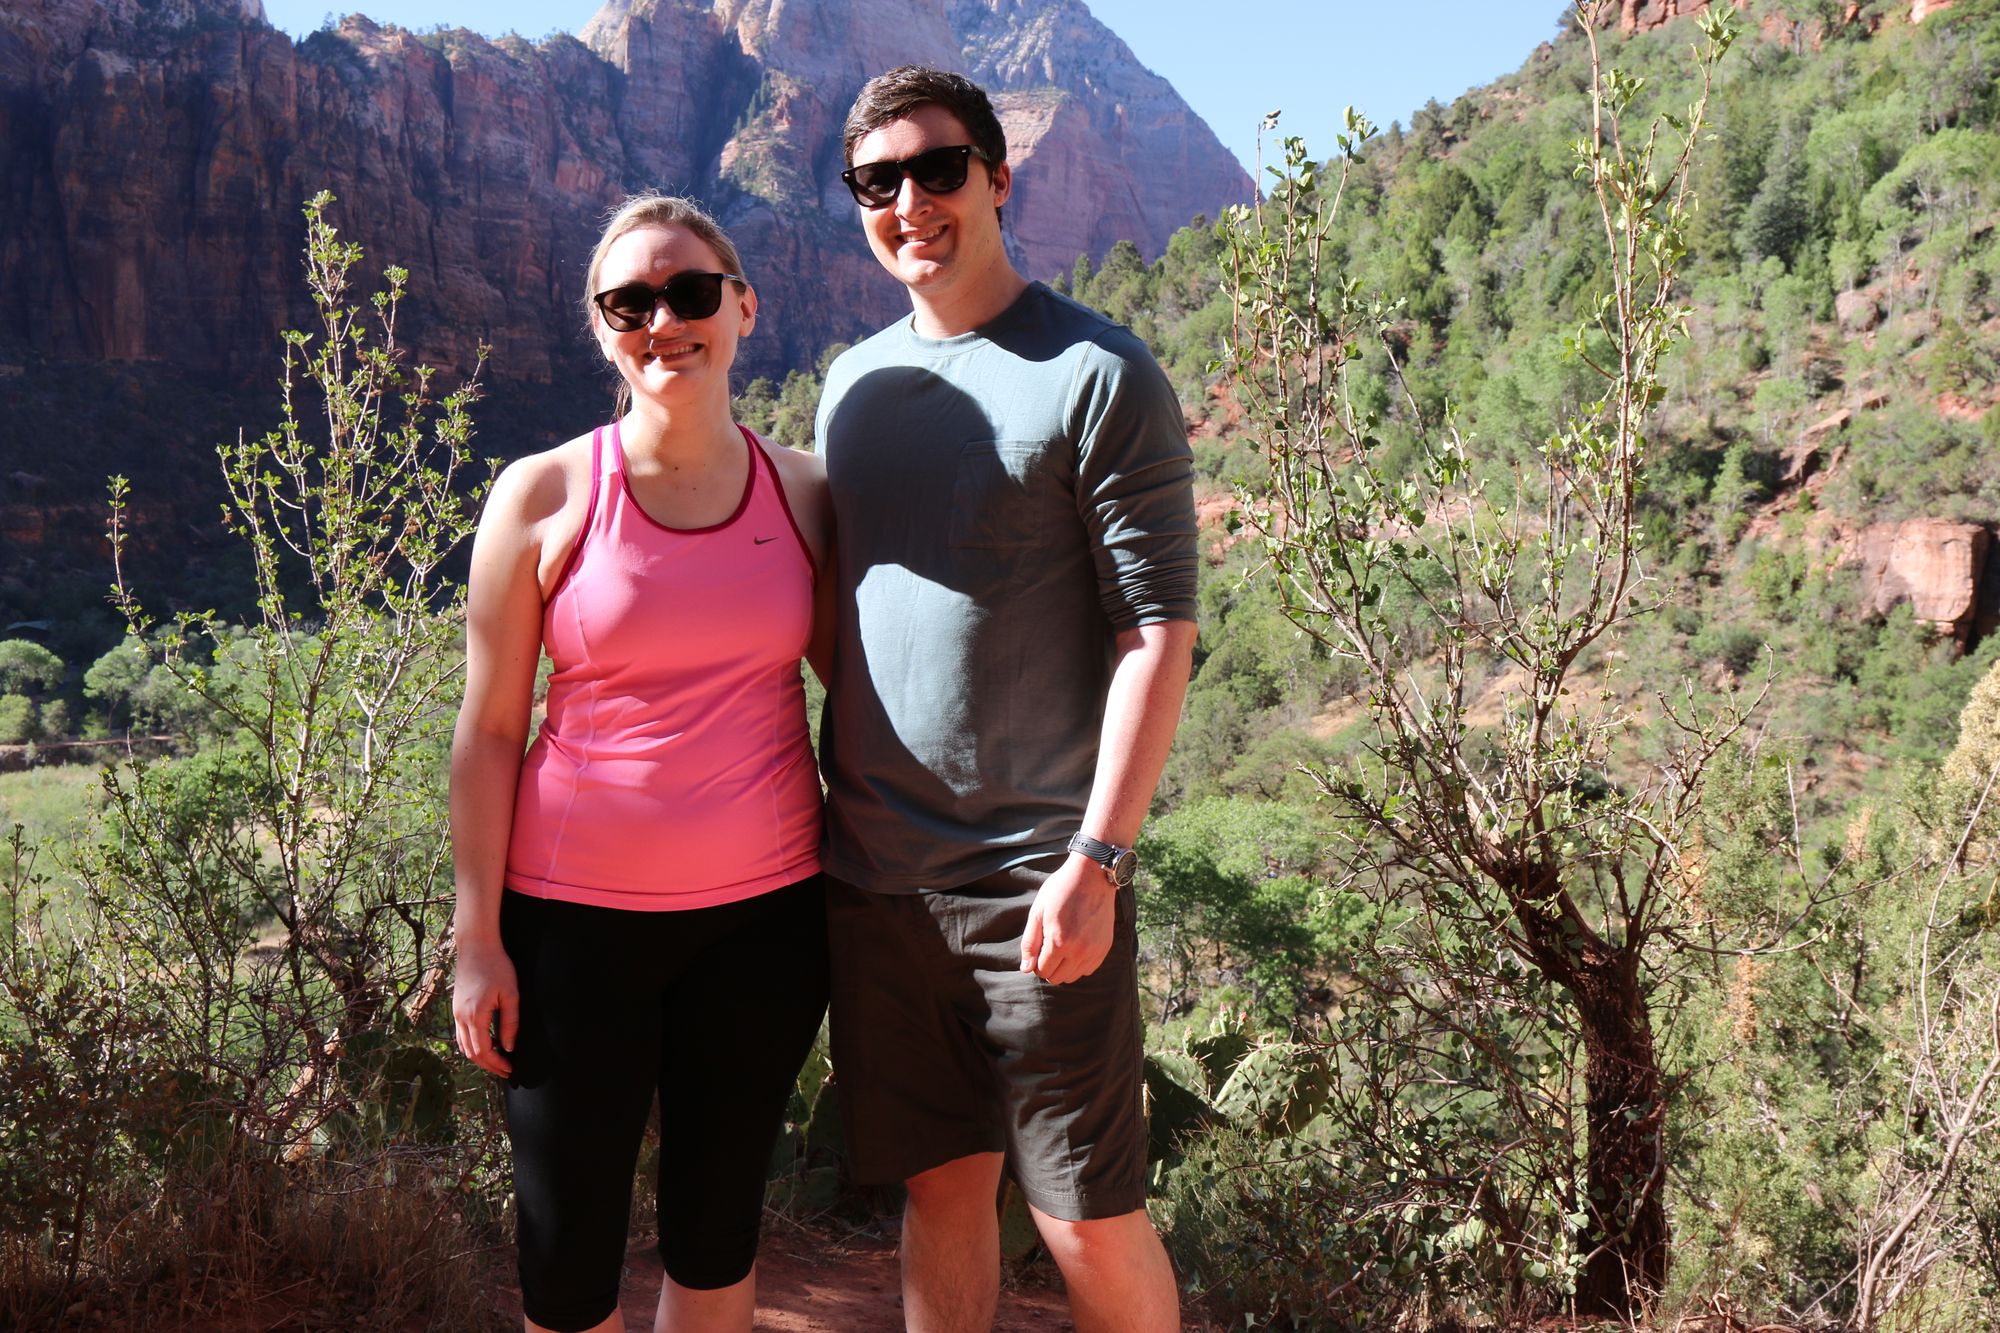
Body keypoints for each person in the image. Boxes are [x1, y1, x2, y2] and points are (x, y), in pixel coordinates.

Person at [815, 65, 1198, 1333]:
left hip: (1038, 879)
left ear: (997, 179)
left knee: (1082, 1215)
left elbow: (1158, 633)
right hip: (876, 878)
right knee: (939, 1191)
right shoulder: (852, 385)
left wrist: (1099, 858)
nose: (909, 202)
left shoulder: (1097, 370)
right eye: (878, 181)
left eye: (937, 170)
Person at [448, 193, 833, 1333]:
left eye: (690, 292)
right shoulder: (544, 494)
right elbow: (487, 730)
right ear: (602, 329)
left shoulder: (805, 493)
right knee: (566, 1267)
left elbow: (863, 701)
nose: (662, 321)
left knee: (716, 1239)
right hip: (571, 930)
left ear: (743, 306)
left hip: (766, 926)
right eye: (629, 303)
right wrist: (477, 938)